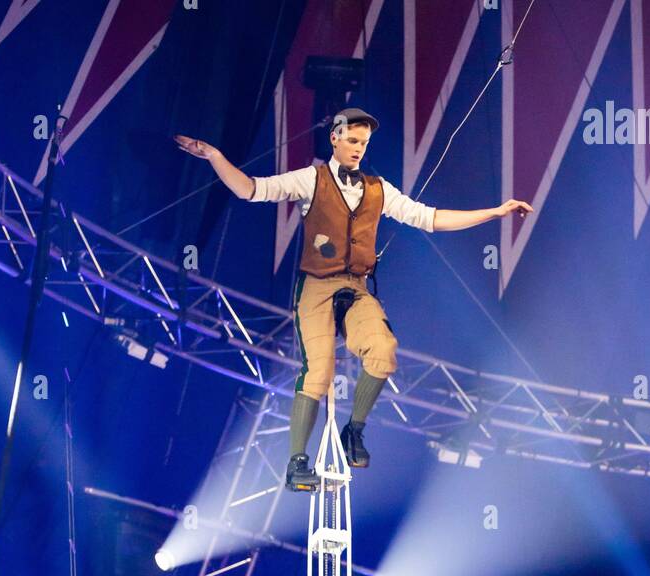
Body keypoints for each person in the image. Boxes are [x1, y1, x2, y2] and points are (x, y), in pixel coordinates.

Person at [176, 109, 532, 492]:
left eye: (364, 143)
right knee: (319, 373)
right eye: (351, 141)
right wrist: (215, 156)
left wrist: (495, 212)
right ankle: (298, 461)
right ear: (334, 138)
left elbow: (430, 218)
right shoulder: (311, 179)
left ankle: (354, 431)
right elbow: (250, 189)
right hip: (316, 286)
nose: (358, 149)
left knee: (384, 351)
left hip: (356, 287)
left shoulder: (379, 190)